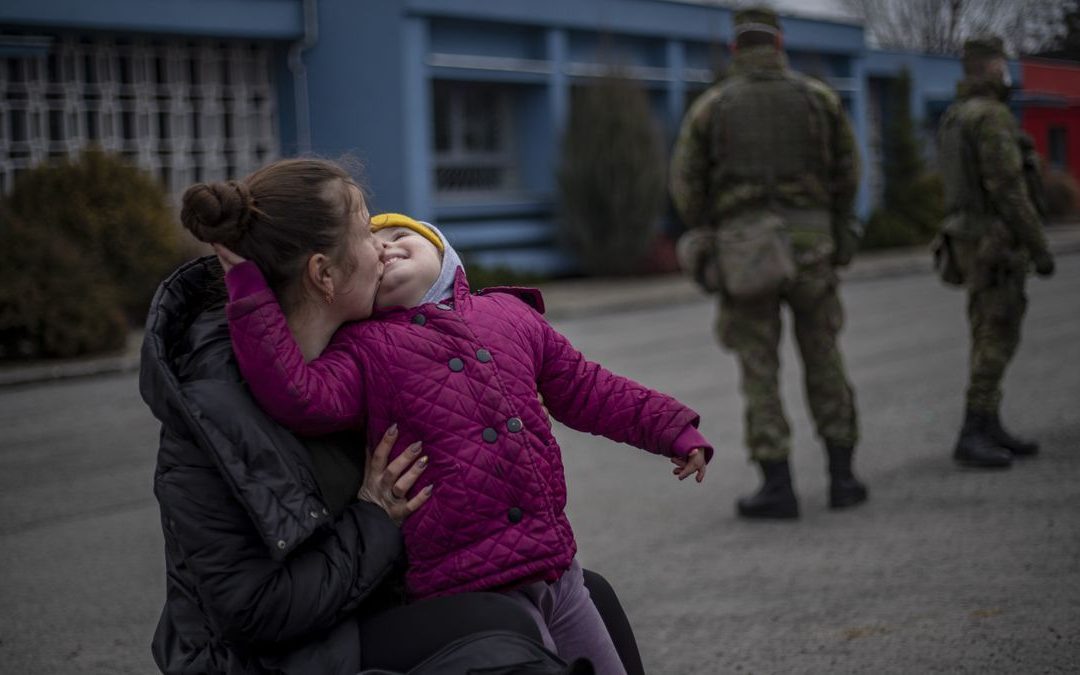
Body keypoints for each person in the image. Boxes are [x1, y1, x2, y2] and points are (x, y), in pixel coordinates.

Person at [183, 160, 713, 674]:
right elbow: (301, 395)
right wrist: (248, 293)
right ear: (325, 273)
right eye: (372, 237)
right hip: (463, 581)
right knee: (528, 654)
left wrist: (670, 426)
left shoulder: (509, 317)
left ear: (445, 254)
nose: (385, 248)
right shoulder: (366, 348)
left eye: (400, 239)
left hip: (557, 566)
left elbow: (588, 386)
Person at [669, 5, 867, 520]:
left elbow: (686, 186)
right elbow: (849, 171)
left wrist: (717, 228)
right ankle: (843, 477)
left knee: (760, 369)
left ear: (737, 48)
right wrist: (835, 223)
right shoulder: (818, 100)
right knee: (824, 355)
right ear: (779, 45)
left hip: (746, 251)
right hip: (813, 246)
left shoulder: (714, 107)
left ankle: (778, 485)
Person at [934, 36, 1055, 468]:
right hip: (995, 244)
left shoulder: (955, 117)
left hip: (968, 241)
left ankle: (988, 423)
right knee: (996, 334)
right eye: (1003, 65)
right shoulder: (991, 117)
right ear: (990, 68)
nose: (1008, 73)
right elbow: (1007, 187)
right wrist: (1039, 247)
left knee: (986, 330)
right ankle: (973, 430)